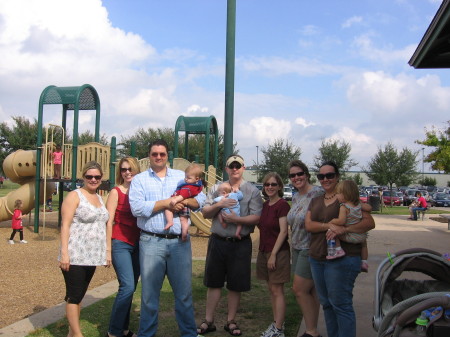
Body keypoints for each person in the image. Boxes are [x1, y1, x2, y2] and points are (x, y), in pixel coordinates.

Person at [129, 139, 206, 337]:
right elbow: (137, 208)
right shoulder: (139, 180)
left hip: (178, 243)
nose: (158, 157)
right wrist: (167, 204)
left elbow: (202, 199)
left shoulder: (182, 176)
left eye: (162, 154)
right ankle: (146, 334)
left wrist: (185, 201)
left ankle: (189, 333)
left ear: (167, 156)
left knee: (183, 294)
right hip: (151, 241)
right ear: (149, 156)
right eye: (154, 154)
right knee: (148, 296)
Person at [305, 161, 375, 337]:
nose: (325, 179)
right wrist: (329, 225)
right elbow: (309, 225)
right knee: (327, 304)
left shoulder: (348, 198)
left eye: (329, 175)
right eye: (321, 176)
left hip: (344, 259)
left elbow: (369, 223)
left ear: (337, 177)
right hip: (317, 257)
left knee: (341, 305)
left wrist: (344, 229)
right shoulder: (315, 200)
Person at [197, 154, 263, 336]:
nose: (234, 168)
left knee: (236, 284)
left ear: (244, 168)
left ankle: (230, 321)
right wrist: (221, 204)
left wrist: (237, 219)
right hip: (218, 241)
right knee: (214, 282)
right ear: (226, 169)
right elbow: (205, 212)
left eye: (238, 165)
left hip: (240, 243)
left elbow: (257, 217)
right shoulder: (216, 188)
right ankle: (208, 321)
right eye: (231, 166)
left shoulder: (252, 191)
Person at [59, 161, 110, 337]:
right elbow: (65, 225)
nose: (93, 179)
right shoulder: (75, 196)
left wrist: (106, 252)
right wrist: (65, 253)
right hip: (75, 255)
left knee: (79, 295)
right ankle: (78, 335)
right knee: (73, 296)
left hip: (92, 256)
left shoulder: (100, 198)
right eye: (89, 176)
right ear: (83, 177)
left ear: (101, 178)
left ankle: (71, 334)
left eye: (97, 176)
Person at [286, 160, 323, 337]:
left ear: (306, 174)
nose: (296, 177)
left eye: (299, 173)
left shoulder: (318, 193)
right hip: (297, 246)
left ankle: (311, 331)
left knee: (299, 289)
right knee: (311, 291)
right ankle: (313, 328)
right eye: (292, 175)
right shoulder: (296, 196)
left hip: (311, 247)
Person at [106, 157, 141, 337]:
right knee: (126, 287)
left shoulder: (141, 191)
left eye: (130, 169)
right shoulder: (116, 192)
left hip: (138, 244)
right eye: (123, 169)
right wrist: (107, 250)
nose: (127, 172)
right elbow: (109, 221)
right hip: (120, 243)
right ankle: (113, 332)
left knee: (131, 287)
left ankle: (124, 329)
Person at [257, 173, 291, 337]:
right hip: (264, 250)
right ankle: (277, 322)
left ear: (279, 187)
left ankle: (278, 330)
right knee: (271, 289)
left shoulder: (282, 205)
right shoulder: (265, 205)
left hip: (277, 252)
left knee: (277, 290)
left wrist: (273, 255)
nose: (270, 187)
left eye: (273, 184)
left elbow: (284, 231)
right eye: (267, 184)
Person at [328, 180, 372, 273]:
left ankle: (338, 250)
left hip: (350, 236)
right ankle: (364, 262)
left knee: (333, 233)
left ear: (345, 194)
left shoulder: (344, 207)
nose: (336, 196)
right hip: (361, 235)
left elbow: (341, 221)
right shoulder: (358, 205)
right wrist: (364, 206)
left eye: (338, 193)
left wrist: (332, 221)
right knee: (364, 245)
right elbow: (369, 208)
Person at [164, 163, 204, 241]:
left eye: (188, 178)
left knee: (167, 209)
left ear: (196, 179)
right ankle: (184, 232)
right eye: (185, 177)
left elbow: (182, 196)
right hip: (186, 207)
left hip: (179, 203)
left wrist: (175, 200)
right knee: (184, 220)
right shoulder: (196, 186)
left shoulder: (189, 187)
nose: (186, 179)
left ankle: (169, 221)